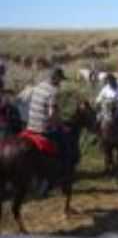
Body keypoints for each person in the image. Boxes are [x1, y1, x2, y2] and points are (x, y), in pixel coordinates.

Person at [27, 67, 69, 195]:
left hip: (30, 126)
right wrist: (61, 126)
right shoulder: (53, 91)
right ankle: (59, 178)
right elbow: (52, 114)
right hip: (43, 128)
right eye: (60, 79)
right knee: (64, 147)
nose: (60, 82)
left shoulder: (38, 86)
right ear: (55, 78)